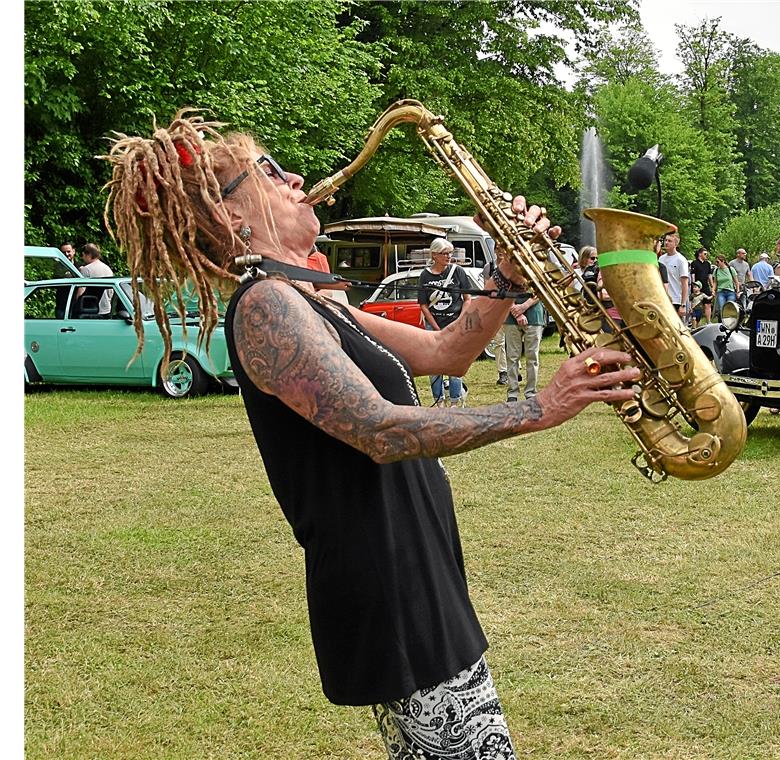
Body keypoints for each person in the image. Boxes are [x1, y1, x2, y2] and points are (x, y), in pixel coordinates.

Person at [102, 110, 641, 759]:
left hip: (416, 569)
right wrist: (541, 406)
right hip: (393, 590)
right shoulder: (266, 304)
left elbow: (446, 353)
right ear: (230, 219)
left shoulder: (315, 299)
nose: (296, 176)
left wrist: (506, 277)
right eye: (269, 172)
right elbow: (377, 429)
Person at [419, 237, 473, 407]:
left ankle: (455, 401)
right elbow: (423, 305)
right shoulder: (425, 275)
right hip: (433, 325)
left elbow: (467, 298)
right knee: (434, 365)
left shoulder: (458, 272)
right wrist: (434, 326)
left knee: (454, 364)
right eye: (444, 253)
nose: (448, 256)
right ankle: (439, 401)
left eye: (450, 253)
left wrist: (460, 320)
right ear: (434, 255)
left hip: (455, 323)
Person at [502, 290, 544, 403]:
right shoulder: (506, 272)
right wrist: (517, 312)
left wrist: (523, 307)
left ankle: (531, 393)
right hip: (511, 317)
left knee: (532, 358)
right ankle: (512, 393)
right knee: (512, 357)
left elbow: (541, 290)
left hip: (534, 316)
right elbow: (502, 290)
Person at [658, 230, 689, 319]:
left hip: (675, 300)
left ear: (676, 244)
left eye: (669, 241)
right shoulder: (661, 259)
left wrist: (683, 305)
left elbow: (684, 283)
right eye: (666, 240)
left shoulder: (681, 260)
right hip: (662, 299)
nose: (666, 243)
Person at [78, 242, 115, 315]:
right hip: (106, 309)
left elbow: (81, 290)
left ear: (88, 254)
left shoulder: (86, 269)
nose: (82, 258)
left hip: (90, 310)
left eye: (83, 255)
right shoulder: (107, 269)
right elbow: (111, 291)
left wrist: (76, 305)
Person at [689, 247, 714, 326]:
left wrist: (712, 287)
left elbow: (709, 275)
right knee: (696, 306)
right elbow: (693, 275)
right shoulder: (694, 263)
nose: (706, 255)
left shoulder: (707, 264)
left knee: (708, 304)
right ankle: (695, 323)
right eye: (705, 254)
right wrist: (694, 286)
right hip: (697, 286)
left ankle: (708, 321)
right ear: (700, 254)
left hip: (705, 286)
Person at [713, 254, 739, 318]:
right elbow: (715, 282)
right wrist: (713, 290)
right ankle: (723, 322)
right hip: (721, 291)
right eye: (716, 262)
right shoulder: (716, 270)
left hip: (730, 291)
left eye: (718, 262)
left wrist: (738, 291)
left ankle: (730, 323)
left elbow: (736, 281)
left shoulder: (731, 269)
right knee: (721, 309)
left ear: (723, 261)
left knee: (730, 308)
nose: (717, 263)